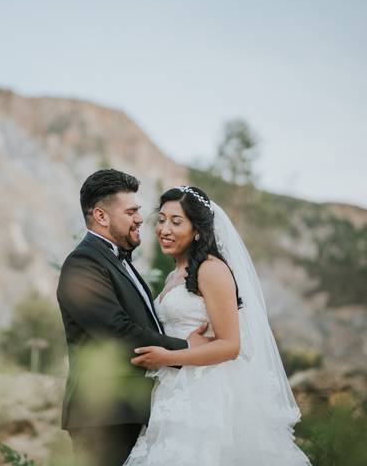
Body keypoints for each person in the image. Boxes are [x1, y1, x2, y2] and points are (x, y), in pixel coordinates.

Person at [124, 185, 311, 465]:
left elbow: (230, 345)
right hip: (173, 388)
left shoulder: (212, 270)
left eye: (176, 222)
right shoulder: (174, 275)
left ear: (197, 229)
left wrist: (168, 357)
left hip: (207, 391)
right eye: (161, 219)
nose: (164, 229)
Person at [56, 170, 210, 466]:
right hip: (103, 415)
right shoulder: (83, 264)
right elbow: (117, 332)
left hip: (132, 410)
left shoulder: (117, 260)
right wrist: (187, 348)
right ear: (101, 216)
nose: (141, 218)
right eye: (131, 211)